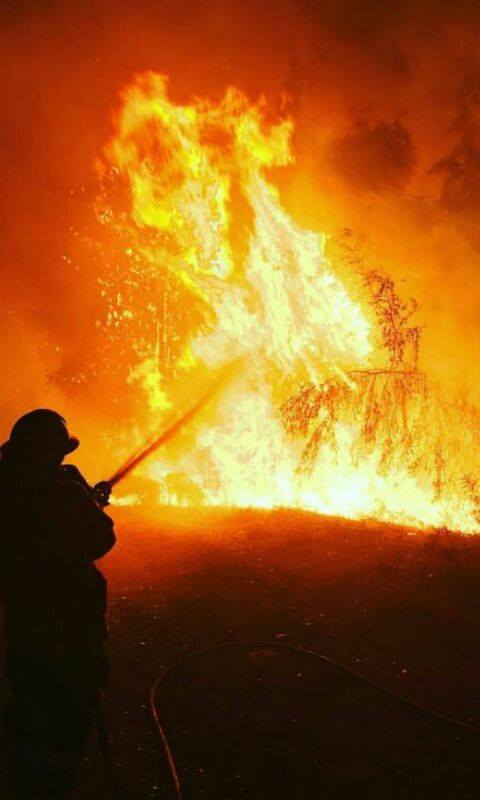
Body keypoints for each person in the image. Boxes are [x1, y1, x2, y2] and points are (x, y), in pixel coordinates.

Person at [0, 409, 116, 800]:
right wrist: (90, 504)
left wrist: (84, 499)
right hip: (68, 631)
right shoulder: (60, 494)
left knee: (27, 711)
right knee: (66, 717)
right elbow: (99, 539)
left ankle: (24, 782)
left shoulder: (8, 487)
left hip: (24, 626)